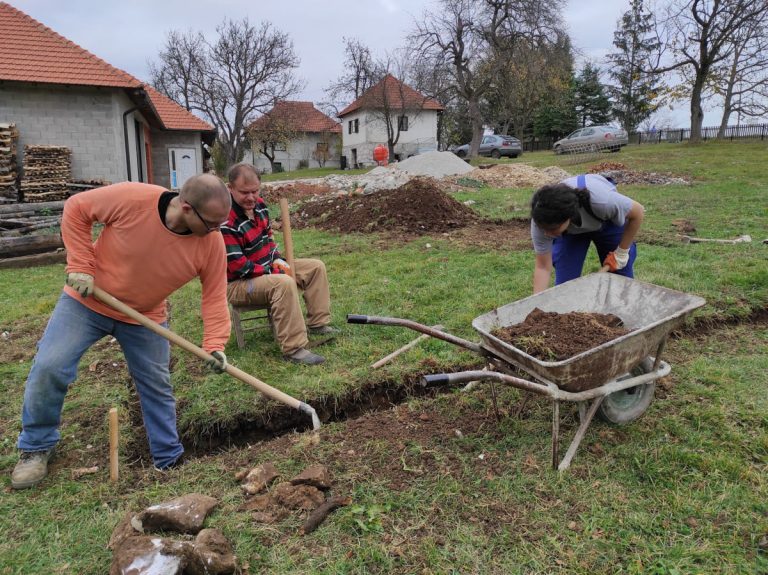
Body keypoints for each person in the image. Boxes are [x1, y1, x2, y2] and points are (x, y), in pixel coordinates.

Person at [11, 175, 232, 489]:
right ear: (186, 208)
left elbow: (213, 294)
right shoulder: (132, 198)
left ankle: (168, 458)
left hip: (144, 318)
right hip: (88, 301)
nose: (216, 230)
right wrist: (81, 264)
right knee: (50, 366)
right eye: (211, 223)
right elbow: (76, 208)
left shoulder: (211, 243)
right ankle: (36, 447)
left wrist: (215, 343)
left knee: (157, 385)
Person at [221, 163, 337, 365]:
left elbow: (268, 239)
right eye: (244, 192)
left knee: (315, 267)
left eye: (255, 191)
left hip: (266, 271)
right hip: (238, 285)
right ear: (230, 188)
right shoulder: (226, 222)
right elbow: (239, 267)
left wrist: (277, 258)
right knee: (282, 283)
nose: (250, 197)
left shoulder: (260, 207)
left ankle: (318, 323)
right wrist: (271, 270)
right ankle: (294, 349)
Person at [530, 173, 644, 293]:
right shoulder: (542, 221)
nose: (547, 234)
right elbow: (543, 267)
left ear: (568, 217)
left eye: (552, 229)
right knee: (565, 287)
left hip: (606, 221)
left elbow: (638, 212)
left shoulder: (603, 202)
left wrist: (622, 251)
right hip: (570, 233)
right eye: (543, 229)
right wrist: (536, 304)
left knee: (620, 280)